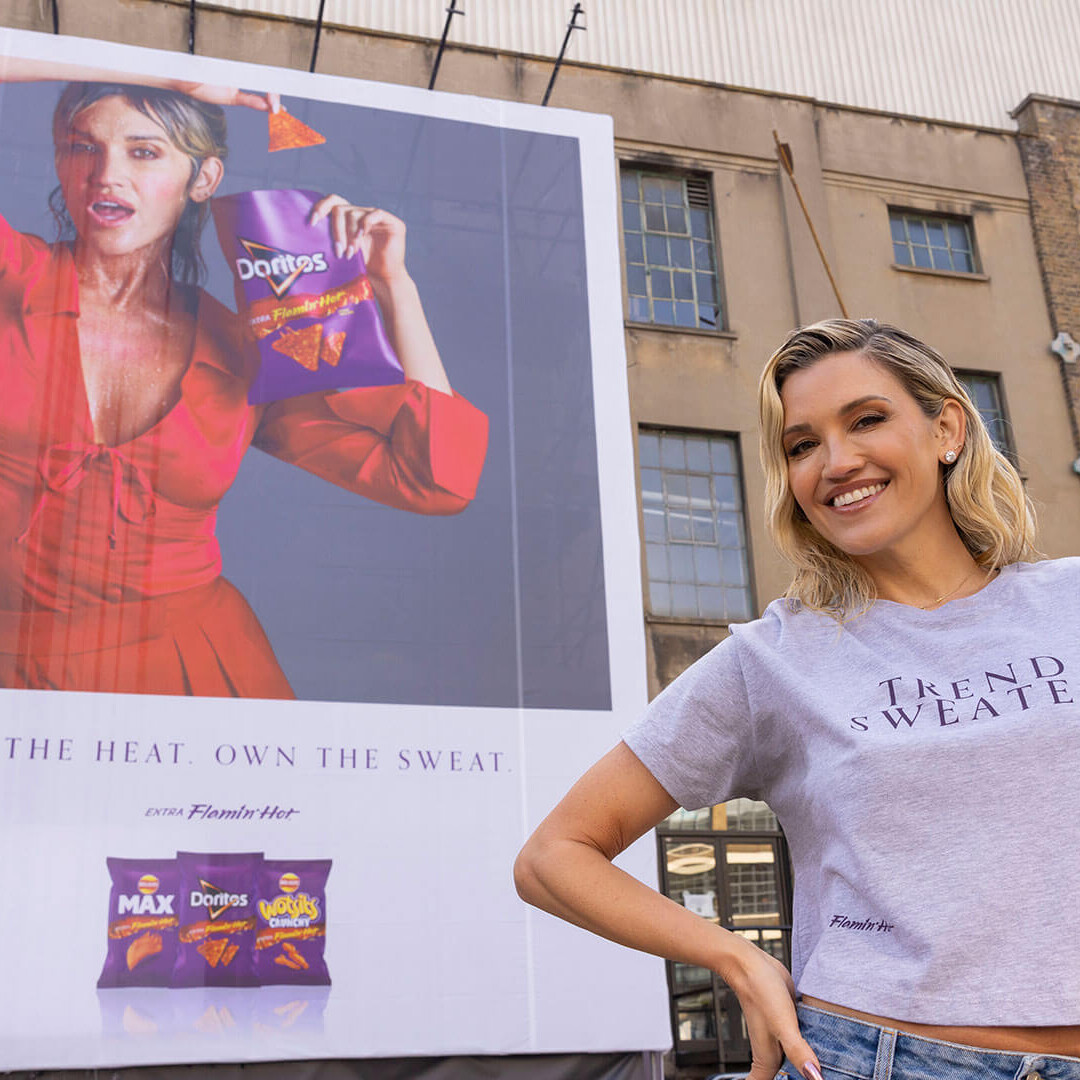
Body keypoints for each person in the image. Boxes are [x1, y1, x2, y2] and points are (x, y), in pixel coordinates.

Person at [515, 319, 1080, 1080]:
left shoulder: (1069, 602)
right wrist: (735, 956)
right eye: (801, 445)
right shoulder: (772, 659)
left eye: (867, 420)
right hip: (878, 1060)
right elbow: (553, 856)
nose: (836, 463)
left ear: (946, 427)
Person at [0, 61, 488, 697]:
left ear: (203, 178)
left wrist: (395, 286)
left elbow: (432, 481)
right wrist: (163, 77)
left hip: (192, 669)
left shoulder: (246, 351)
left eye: (144, 151)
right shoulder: (12, 279)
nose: (106, 174)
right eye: (82, 147)